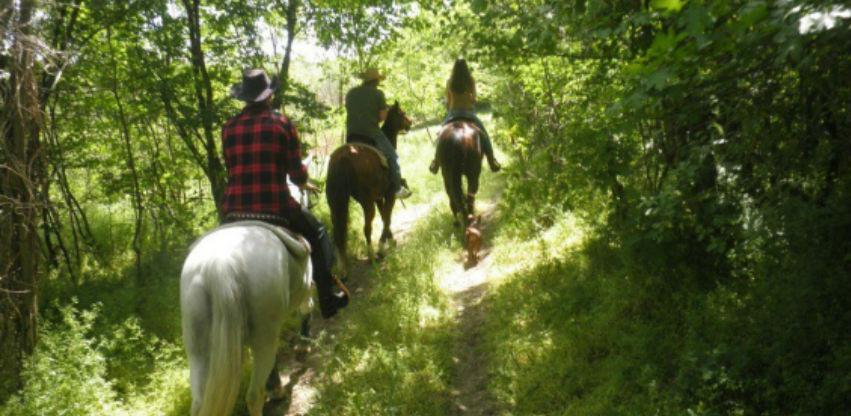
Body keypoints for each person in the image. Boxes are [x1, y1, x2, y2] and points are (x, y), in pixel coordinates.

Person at [220, 68, 349, 319]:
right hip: (275, 207)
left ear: (245, 98)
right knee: (319, 233)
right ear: (269, 96)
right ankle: (327, 298)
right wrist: (303, 181)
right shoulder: (281, 123)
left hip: (233, 209)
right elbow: (295, 174)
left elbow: (231, 168)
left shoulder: (228, 127)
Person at [345, 68, 412, 199]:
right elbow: (382, 117)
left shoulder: (351, 93)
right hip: (371, 133)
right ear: (375, 81)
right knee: (392, 156)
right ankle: (398, 189)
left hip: (351, 134)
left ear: (364, 80)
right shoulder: (378, 94)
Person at [429, 59, 501, 174]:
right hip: (468, 113)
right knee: (484, 133)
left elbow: (448, 102)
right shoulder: (470, 80)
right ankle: (492, 161)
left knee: (441, 135)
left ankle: (436, 162)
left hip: (453, 113)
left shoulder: (449, 82)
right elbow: (474, 99)